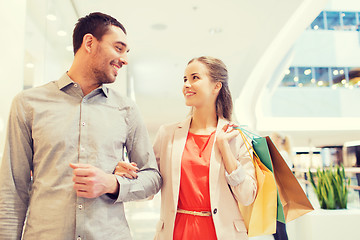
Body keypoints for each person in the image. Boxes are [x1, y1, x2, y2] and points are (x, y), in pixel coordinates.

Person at [0, 12, 162, 240]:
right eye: (118, 48)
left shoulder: (126, 110)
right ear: (89, 43)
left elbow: (152, 178)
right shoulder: (28, 104)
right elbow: (12, 191)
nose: (124, 59)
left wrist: (112, 183)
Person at [116, 56, 257, 239]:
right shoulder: (168, 134)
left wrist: (225, 149)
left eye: (195, 78)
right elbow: (148, 187)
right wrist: (127, 175)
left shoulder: (236, 137)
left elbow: (247, 196)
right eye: (185, 79)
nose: (186, 85)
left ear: (217, 86)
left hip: (223, 233)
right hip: (178, 232)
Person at [270, 132, 294, 240]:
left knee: (279, 225)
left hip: (280, 194)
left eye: (273, 139)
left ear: (278, 140)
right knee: (276, 225)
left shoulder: (282, 154)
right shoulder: (281, 153)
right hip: (277, 193)